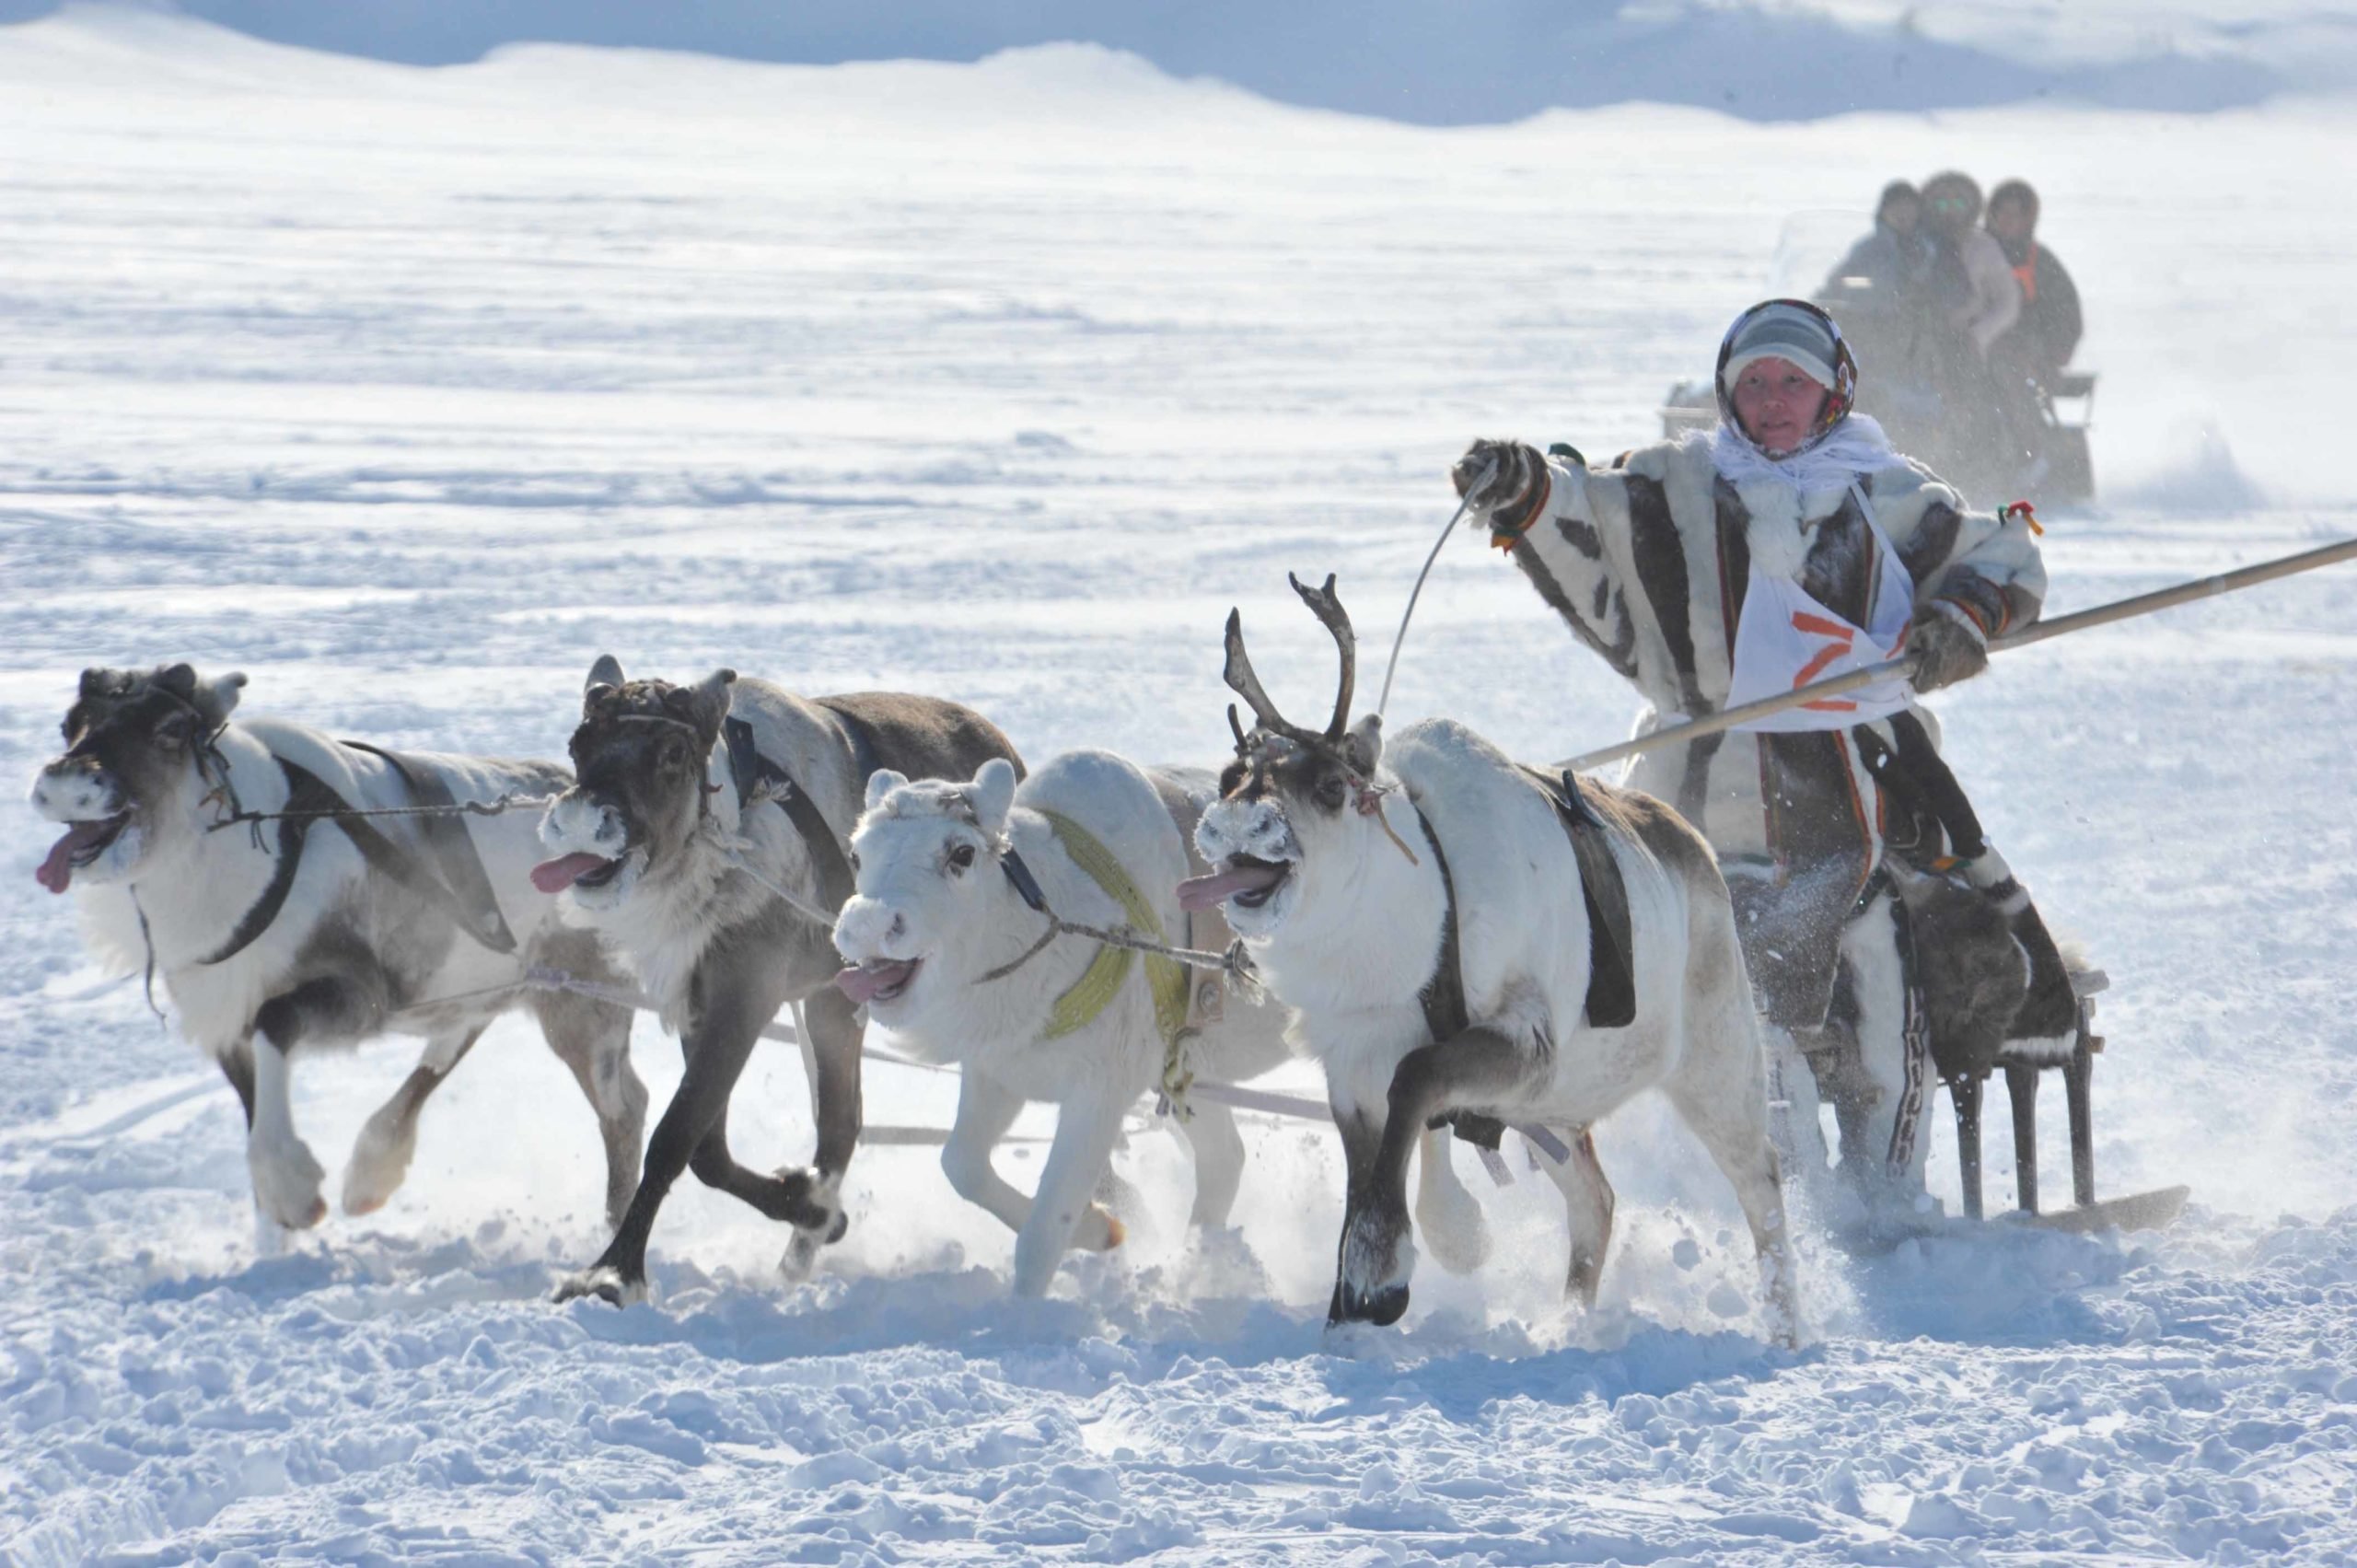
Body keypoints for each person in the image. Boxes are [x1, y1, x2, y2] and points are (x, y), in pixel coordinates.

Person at [1450, 299, 2079, 1224]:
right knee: (1743, 996)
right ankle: (1785, 1214)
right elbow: (1575, 504)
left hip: (1861, 795)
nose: (1773, 400)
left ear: (1833, 392)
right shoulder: (1671, 482)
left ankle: (1888, 1206)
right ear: (1726, 393)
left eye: (1794, 381)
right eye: (1754, 382)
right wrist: (1520, 485)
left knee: (1884, 974)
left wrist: (1956, 623)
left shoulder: (1890, 492)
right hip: (1694, 807)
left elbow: (2005, 552)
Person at [1985, 179, 2083, 383]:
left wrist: (2050, 353)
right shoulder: (1972, 252)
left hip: (2026, 357)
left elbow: (2065, 312)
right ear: (1992, 214)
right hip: (1977, 350)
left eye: (2016, 214)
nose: (2008, 220)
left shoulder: (2040, 261)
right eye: (2003, 213)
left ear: (2027, 220)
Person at [1826, 180, 1936, 304]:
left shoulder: (1931, 248)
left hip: (1922, 317)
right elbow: (1840, 282)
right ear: (1883, 213)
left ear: (1918, 212)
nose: (1902, 213)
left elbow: (1944, 285)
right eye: (1895, 207)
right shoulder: (1868, 249)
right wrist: (1876, 284)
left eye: (1908, 207)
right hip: (1871, 317)